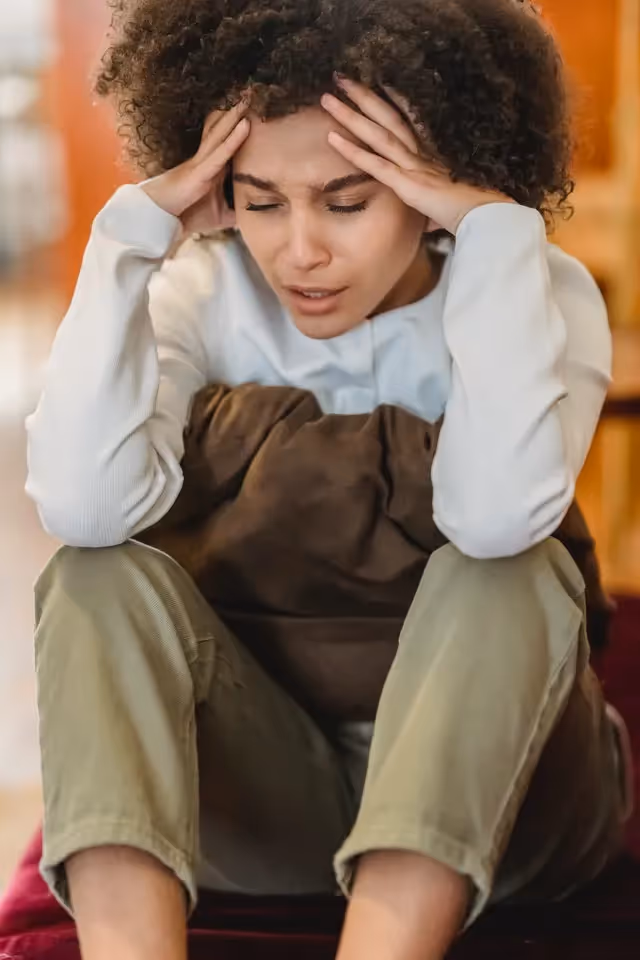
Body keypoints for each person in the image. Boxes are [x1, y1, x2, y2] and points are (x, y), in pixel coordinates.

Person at [25, 1, 633, 958]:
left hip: (512, 812)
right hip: (266, 801)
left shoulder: (537, 293)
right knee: (93, 574)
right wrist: (127, 239)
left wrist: (496, 240)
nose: (299, 250)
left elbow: (495, 520)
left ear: (437, 180)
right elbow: (83, 506)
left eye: (347, 201)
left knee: (510, 568)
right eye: (262, 200)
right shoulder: (204, 289)